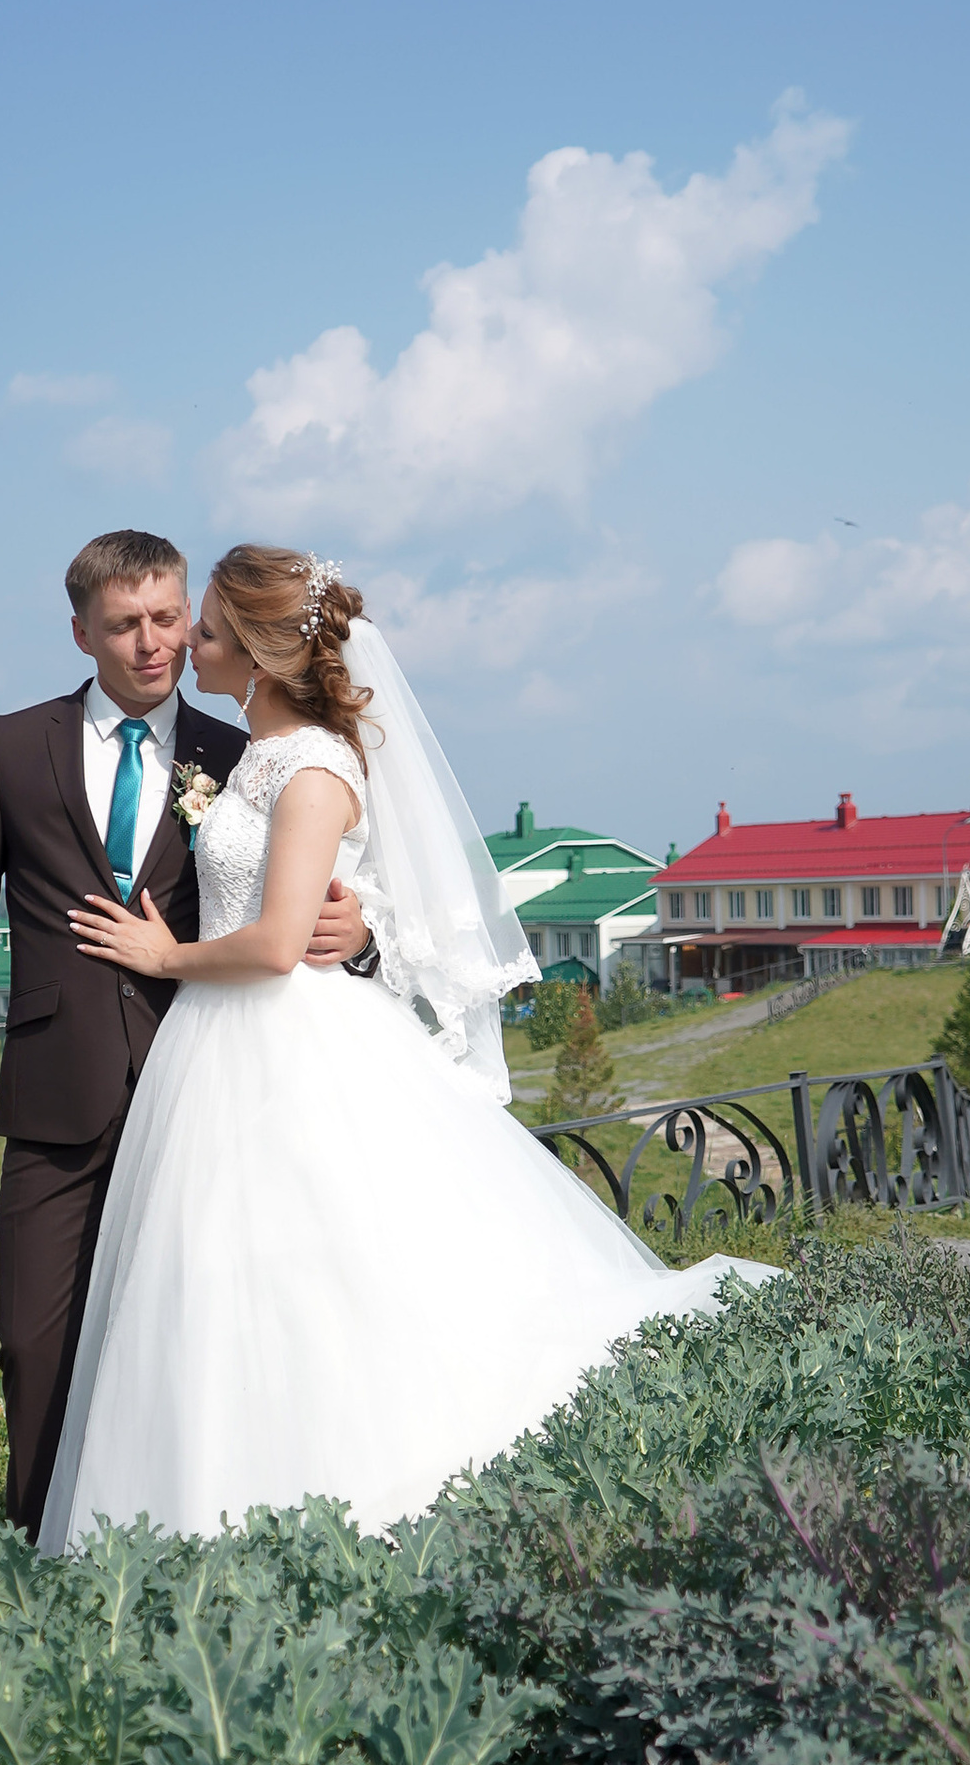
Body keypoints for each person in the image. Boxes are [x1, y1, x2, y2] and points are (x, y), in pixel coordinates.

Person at [43, 542, 767, 1549]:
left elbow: (281, 941)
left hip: (278, 1039)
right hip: (223, 1051)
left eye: (205, 628)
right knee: (240, 1287)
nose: (188, 644)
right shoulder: (257, 757)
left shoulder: (314, 768)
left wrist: (164, 959)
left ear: (253, 650)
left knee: (317, 1272)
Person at [0, 527, 375, 1536]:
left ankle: (168, 1547)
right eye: (125, 625)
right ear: (82, 631)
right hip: (56, 1094)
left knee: (187, 1337)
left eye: (169, 618)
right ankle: (40, 1556)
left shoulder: (241, 754)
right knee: (33, 1342)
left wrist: (360, 932)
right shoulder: (9, 748)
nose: (153, 643)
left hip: (204, 1091)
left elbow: (300, 901)